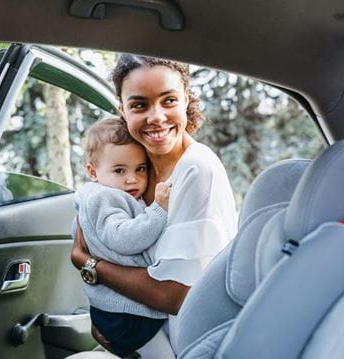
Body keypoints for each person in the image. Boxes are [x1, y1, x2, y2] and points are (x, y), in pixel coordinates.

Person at [71, 54, 238, 357]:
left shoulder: (197, 170)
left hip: (187, 341)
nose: (156, 117)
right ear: (122, 109)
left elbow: (175, 295)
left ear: (187, 99)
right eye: (139, 105)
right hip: (141, 332)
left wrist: (89, 264)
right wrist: (109, 319)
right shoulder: (139, 163)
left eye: (169, 100)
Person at [75, 116, 172, 357]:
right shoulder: (104, 198)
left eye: (140, 168)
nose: (132, 179)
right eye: (119, 170)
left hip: (122, 309)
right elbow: (123, 240)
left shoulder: (112, 194)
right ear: (92, 171)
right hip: (125, 314)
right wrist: (158, 211)